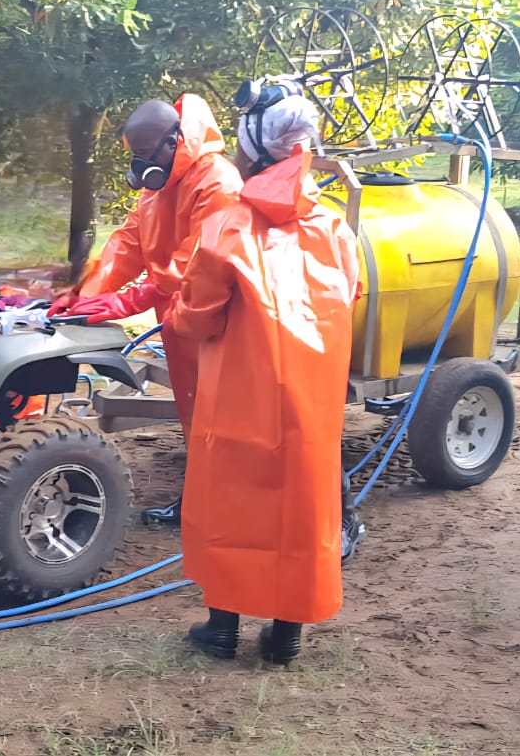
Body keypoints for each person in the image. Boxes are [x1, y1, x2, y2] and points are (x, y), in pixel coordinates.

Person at [164, 91, 361, 664]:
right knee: (303, 506)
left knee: (229, 502)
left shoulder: (227, 227)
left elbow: (196, 316)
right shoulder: (335, 229)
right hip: (311, 402)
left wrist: (176, 314)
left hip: (238, 398)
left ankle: (222, 627)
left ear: (252, 146)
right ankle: (287, 635)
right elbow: (350, 296)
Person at [52, 94, 243, 524]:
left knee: (226, 417)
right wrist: (85, 296)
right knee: (196, 415)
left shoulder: (218, 184)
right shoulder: (158, 187)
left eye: (144, 155)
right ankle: (203, 503)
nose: (139, 167)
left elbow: (198, 264)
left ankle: (233, 512)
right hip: (181, 322)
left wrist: (131, 299)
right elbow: (129, 243)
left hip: (222, 324)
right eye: (133, 155)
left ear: (174, 141)